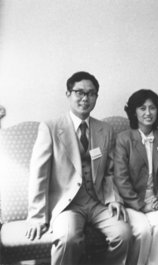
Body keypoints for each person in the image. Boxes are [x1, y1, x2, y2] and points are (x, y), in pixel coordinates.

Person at [25, 71, 132, 265]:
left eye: (91, 94)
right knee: (68, 239)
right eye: (79, 92)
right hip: (67, 204)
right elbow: (38, 175)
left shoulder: (105, 129)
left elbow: (109, 171)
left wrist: (113, 199)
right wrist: (37, 216)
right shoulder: (50, 127)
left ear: (96, 97)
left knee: (123, 233)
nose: (85, 98)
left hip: (98, 201)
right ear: (68, 94)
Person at [114, 89, 158, 265]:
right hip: (132, 201)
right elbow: (120, 179)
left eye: (152, 108)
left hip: (155, 199)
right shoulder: (124, 139)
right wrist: (140, 204)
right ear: (134, 112)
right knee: (143, 231)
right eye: (142, 108)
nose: (148, 113)